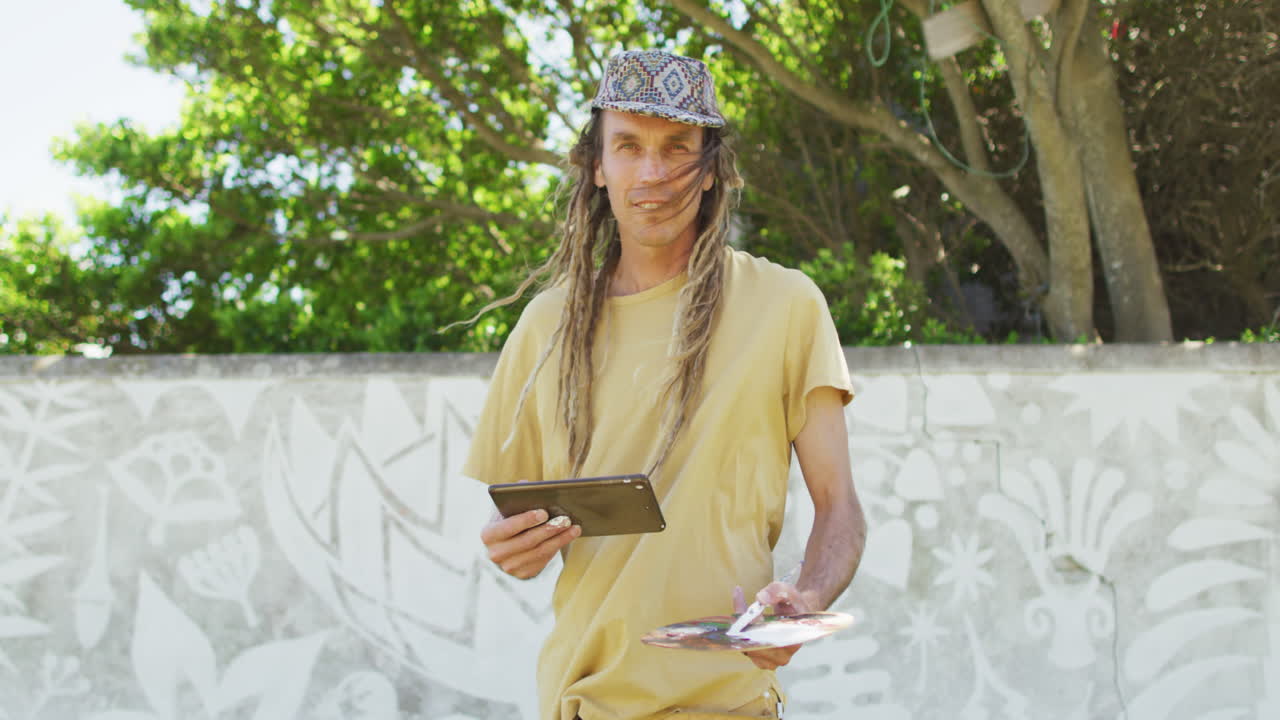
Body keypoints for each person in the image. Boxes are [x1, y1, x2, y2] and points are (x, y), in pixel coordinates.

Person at [463, 49, 866, 720]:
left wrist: (808, 597)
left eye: (677, 148)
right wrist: (512, 546)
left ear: (711, 171)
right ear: (598, 166)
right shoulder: (545, 329)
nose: (652, 173)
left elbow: (841, 509)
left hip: (732, 704)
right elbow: (513, 523)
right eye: (628, 146)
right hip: (584, 701)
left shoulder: (786, 306)